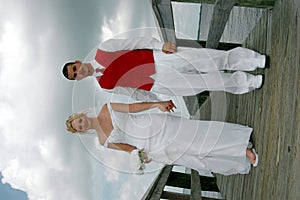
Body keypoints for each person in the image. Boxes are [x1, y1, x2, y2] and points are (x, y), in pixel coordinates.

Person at [65, 100, 258, 175]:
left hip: (157, 126)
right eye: (79, 127)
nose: (83, 124)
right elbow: (128, 149)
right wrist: (141, 158)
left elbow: (133, 108)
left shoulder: (106, 108)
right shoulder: (103, 142)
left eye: (79, 121)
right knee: (197, 160)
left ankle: (243, 149)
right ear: (82, 131)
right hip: (154, 148)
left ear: (82, 115)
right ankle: (237, 158)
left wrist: (157, 104)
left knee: (200, 138)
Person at [62, 37, 266, 100]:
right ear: (78, 79)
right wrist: (158, 103)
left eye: (75, 68)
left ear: (78, 62)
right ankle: (248, 82)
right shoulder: (104, 85)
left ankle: (252, 61)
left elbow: (135, 42)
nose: (79, 72)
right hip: (159, 84)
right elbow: (133, 93)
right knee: (206, 83)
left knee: (208, 59)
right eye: (75, 75)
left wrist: (160, 46)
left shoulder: (103, 49)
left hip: (158, 59)